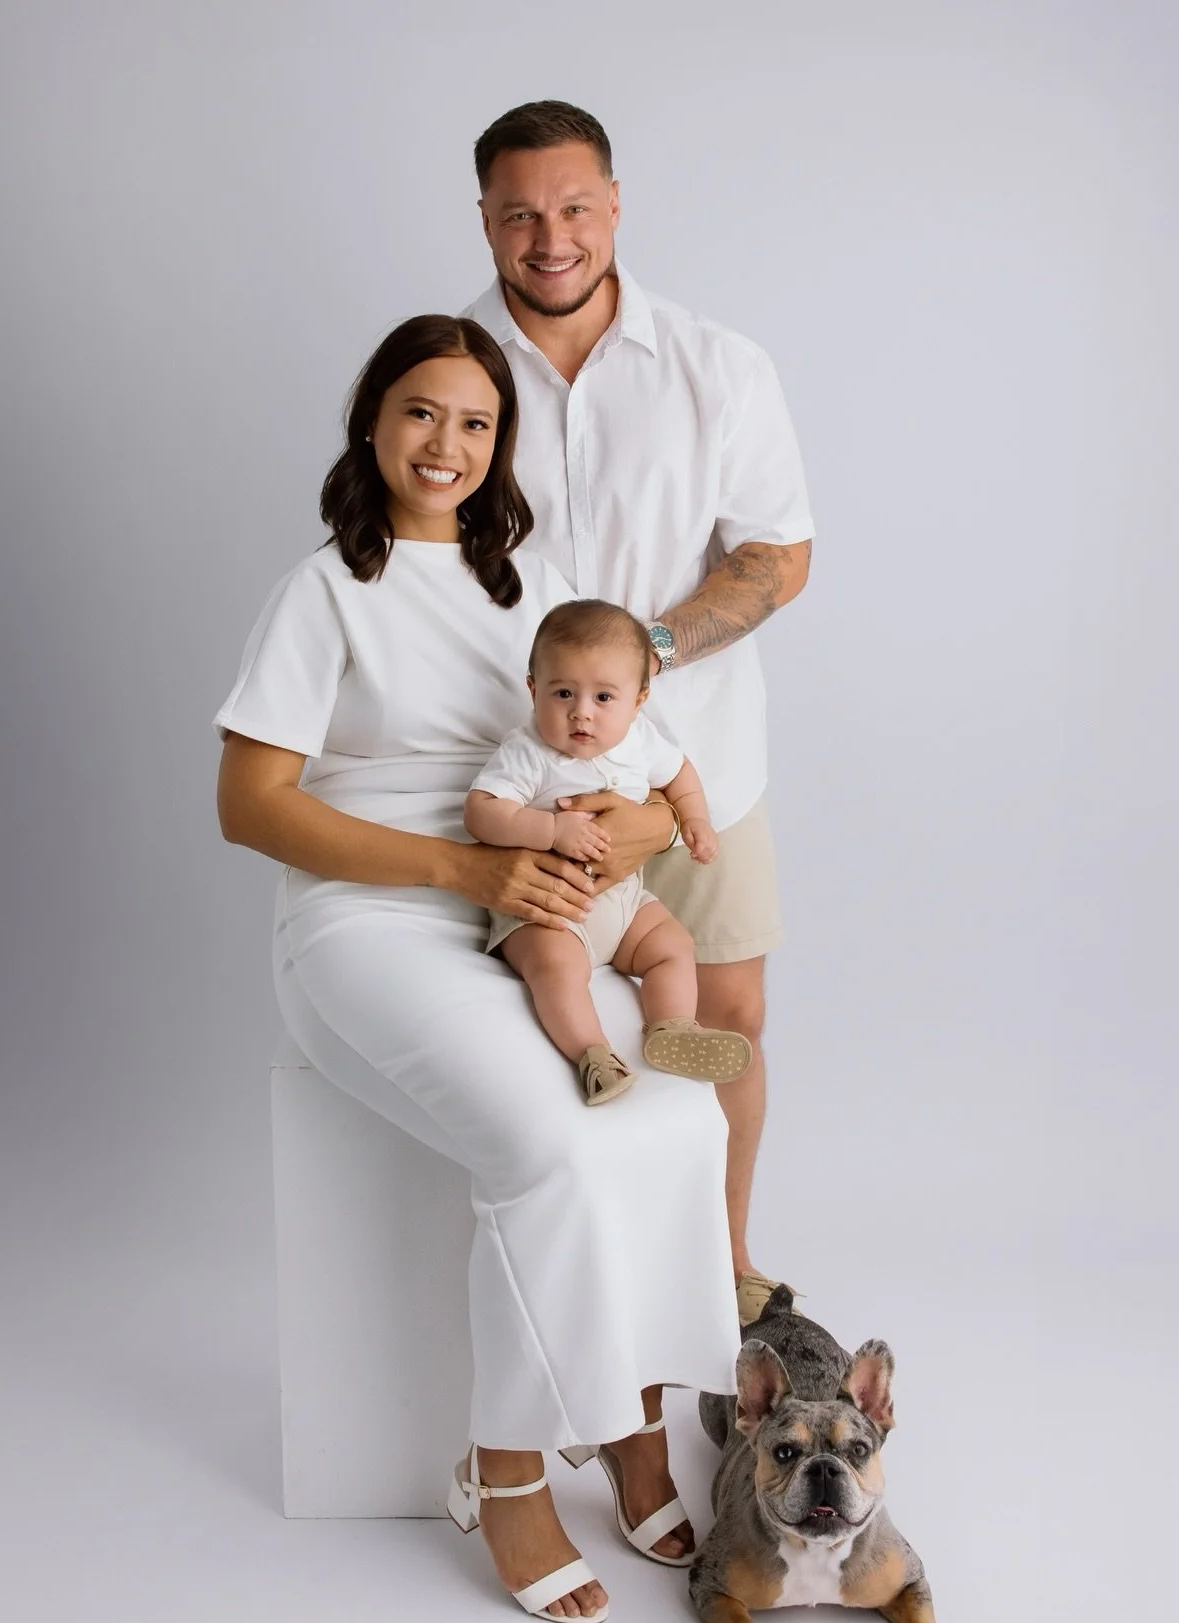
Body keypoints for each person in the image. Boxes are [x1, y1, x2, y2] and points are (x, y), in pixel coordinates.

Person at [213, 314, 739, 1623]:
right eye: (418, 413)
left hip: (545, 905)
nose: (445, 445)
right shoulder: (324, 588)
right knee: (551, 1148)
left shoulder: (532, 581)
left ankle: (630, 1418)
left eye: (476, 422)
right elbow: (246, 804)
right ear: (371, 422)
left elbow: (619, 753)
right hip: (370, 921)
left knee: (684, 1106)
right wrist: (469, 873)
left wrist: (617, 835)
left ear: (500, 446)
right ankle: (503, 1473)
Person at [464, 100, 815, 1323]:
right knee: (544, 1012)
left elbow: (779, 554)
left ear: (615, 205)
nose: (548, 237)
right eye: (519, 214)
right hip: (511, 770)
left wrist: (645, 662)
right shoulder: (446, 371)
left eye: (572, 208)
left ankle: (719, 1264)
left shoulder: (720, 367)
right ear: (487, 223)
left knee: (727, 1014)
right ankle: (585, 1282)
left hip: (694, 758)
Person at [465, 599, 753, 1105]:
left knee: (673, 946)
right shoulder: (528, 752)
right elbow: (482, 812)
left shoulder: (641, 741)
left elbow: (680, 774)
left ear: (638, 699)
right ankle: (593, 1056)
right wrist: (550, 830)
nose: (581, 711)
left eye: (603, 697)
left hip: (623, 903)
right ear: (533, 690)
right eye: (562, 693)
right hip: (549, 912)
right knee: (555, 970)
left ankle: (671, 1029)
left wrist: (695, 820)